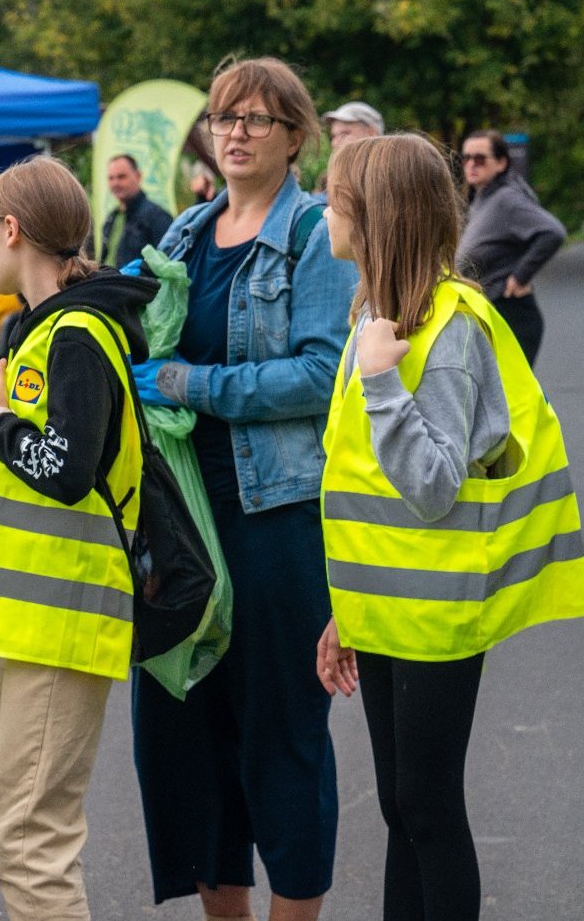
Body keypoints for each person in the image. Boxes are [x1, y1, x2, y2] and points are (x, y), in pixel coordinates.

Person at [313, 132, 584, 921]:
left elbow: (431, 487)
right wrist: (345, 610)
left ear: (377, 215)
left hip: (438, 615)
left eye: (336, 197)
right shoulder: (377, 316)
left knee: (427, 806)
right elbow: (364, 487)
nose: (325, 211)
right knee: (401, 808)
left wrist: (381, 381)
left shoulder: (449, 327)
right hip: (386, 606)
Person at [129, 57, 357, 921]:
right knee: (187, 739)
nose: (234, 132)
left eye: (257, 119)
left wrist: (194, 385)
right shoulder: (185, 231)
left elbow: (320, 372)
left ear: (297, 136)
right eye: (225, 117)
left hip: (275, 520)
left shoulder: (312, 233)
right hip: (183, 517)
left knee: (281, 737)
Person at [0, 156, 155, 920]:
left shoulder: (78, 332)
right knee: (24, 833)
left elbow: (64, 469)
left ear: (11, 230)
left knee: (30, 839)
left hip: (63, 618)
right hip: (36, 620)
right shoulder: (50, 327)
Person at [456, 129, 566, 365]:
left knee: (515, 398)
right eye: (466, 158)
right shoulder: (483, 198)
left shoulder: (507, 199)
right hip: (493, 313)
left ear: (501, 162)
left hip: (512, 314)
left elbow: (552, 231)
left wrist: (520, 275)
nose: (471, 164)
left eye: (480, 158)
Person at [102, 154, 175, 269]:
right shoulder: (112, 217)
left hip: (135, 286)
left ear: (138, 176)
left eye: (121, 177)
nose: (115, 183)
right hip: (107, 283)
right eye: (111, 178)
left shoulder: (157, 217)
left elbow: (169, 261)